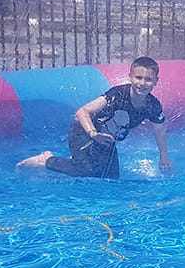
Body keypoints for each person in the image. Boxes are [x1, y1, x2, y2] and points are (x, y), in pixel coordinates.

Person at [18, 56, 173, 179]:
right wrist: (93, 133)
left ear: (156, 82)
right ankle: (46, 160)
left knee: (111, 178)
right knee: (84, 171)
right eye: (138, 77)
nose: (142, 83)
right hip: (84, 131)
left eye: (148, 79)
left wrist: (163, 158)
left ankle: (77, 158)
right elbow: (82, 111)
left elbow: (159, 130)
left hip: (106, 140)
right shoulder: (117, 95)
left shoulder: (152, 105)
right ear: (130, 77)